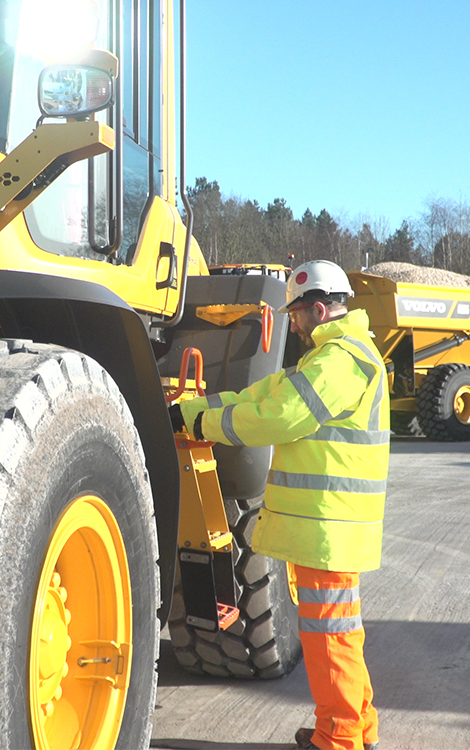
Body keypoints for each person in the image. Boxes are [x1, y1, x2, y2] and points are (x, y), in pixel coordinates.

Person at [170, 260, 390, 750]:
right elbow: (260, 394)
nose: (291, 323)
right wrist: (195, 409)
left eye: (295, 314)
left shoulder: (342, 360)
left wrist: (202, 426)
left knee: (329, 636)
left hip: (328, 527)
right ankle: (355, 725)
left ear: (318, 309)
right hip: (329, 527)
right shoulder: (330, 360)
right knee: (338, 632)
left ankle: (341, 738)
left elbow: (281, 416)